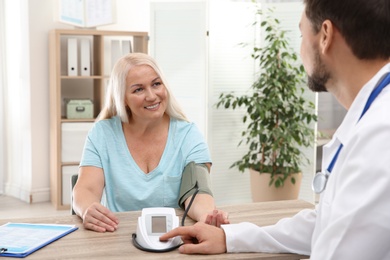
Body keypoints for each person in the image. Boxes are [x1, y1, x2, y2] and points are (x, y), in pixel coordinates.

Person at [160, 0, 390, 258]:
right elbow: (329, 223)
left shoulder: (380, 135)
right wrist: (230, 236)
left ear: (325, 35)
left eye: (301, 34)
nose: (299, 49)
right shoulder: (373, 119)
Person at [73, 53, 229, 232]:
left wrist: (206, 216)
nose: (152, 96)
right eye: (138, 89)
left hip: (172, 235)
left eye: (156, 84)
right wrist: (87, 209)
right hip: (118, 234)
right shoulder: (103, 133)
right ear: (122, 98)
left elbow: (197, 194)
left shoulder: (189, 135)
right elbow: (86, 189)